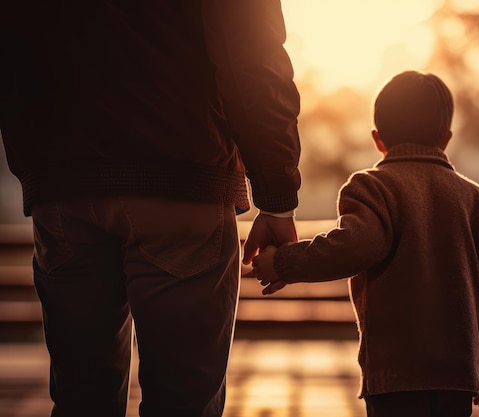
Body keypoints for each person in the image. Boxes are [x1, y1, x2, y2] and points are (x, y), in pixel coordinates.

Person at [0, 2, 300, 417]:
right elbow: (251, 53)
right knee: (184, 402)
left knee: (80, 399)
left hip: (63, 188)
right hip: (182, 178)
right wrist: (277, 195)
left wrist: (36, 165)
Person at [252, 70, 479, 417]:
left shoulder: (372, 188)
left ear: (378, 139)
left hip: (395, 372)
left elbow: (355, 246)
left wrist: (284, 262)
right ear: (446, 138)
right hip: (458, 374)